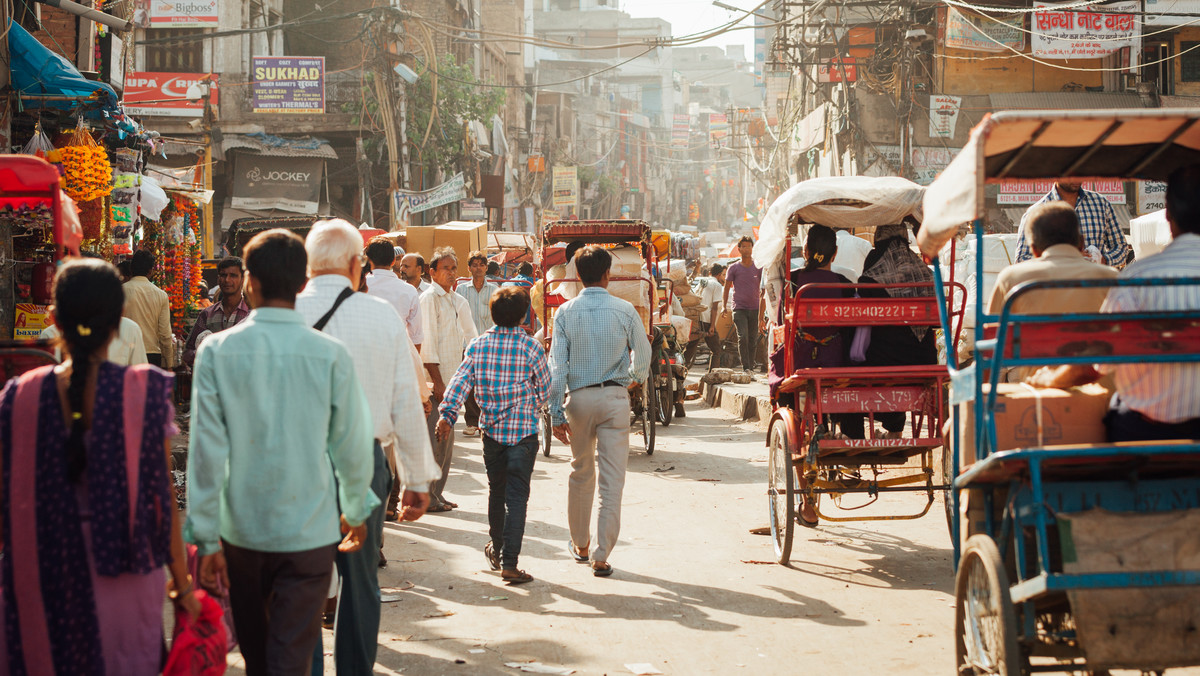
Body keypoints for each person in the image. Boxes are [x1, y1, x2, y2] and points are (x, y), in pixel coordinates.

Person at [185, 229, 377, 676]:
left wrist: (207, 536)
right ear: (303, 283)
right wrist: (355, 508)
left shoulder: (217, 350)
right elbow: (350, 442)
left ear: (249, 281)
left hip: (242, 533)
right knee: (290, 655)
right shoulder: (329, 354)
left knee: (259, 658)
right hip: (310, 532)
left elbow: (207, 450)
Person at [1, 258, 199, 675]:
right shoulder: (142, 392)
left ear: (54, 320)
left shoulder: (18, 396)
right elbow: (162, 498)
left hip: (40, 572)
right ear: (119, 321)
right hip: (124, 573)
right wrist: (182, 585)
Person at [296, 220, 440, 675]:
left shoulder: (284, 311)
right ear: (357, 265)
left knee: (303, 579)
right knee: (360, 581)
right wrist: (418, 480)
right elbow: (405, 400)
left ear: (308, 265)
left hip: (299, 464)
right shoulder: (380, 316)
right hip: (365, 459)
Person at [1030, 165, 1200, 441]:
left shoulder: (1138, 277)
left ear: (1168, 214)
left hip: (1147, 430)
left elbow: (1094, 363)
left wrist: (1050, 380)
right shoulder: (1126, 278)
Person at [435, 287, 551, 585]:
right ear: (525, 315)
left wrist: (447, 415)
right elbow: (546, 387)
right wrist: (531, 405)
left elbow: (460, 383)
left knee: (497, 493)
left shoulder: (478, 346)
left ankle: (498, 551)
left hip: (493, 435)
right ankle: (510, 563)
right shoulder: (531, 348)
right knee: (517, 498)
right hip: (524, 433)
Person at [548, 246, 651, 578]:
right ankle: (602, 554)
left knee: (580, 472)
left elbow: (557, 368)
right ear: (608, 275)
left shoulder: (564, 312)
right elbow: (644, 355)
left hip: (578, 399)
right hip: (615, 398)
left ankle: (579, 544)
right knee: (612, 480)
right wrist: (633, 381)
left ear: (577, 276)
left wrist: (555, 412)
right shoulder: (624, 310)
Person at [988, 202, 1118, 382]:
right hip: (1101, 391)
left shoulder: (1011, 278)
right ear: (1081, 242)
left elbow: (991, 343)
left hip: (1036, 395)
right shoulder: (1111, 278)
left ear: (1033, 249)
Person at [842, 221, 937, 440]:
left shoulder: (874, 271)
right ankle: (894, 426)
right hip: (923, 359)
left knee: (851, 363)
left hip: (882, 361)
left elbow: (862, 316)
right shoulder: (924, 272)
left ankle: (853, 433)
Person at [419, 247, 479, 512]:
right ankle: (428, 497)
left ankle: (437, 494)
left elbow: (473, 338)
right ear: (432, 272)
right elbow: (428, 346)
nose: (452, 273)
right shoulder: (429, 299)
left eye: (454, 268)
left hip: (454, 383)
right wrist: (439, 383)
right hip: (435, 383)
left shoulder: (458, 300)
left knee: (447, 443)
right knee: (435, 441)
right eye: (446, 268)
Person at [1015, 181, 1132, 267]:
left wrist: (1103, 260)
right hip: (1055, 290)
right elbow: (1021, 260)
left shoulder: (1101, 204)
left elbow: (1121, 247)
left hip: (1095, 287)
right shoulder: (1035, 212)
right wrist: (1063, 260)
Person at [456, 250, 500, 437]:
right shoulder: (461, 290)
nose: (478, 268)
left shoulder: (495, 290)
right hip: (468, 343)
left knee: (489, 382)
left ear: (486, 267)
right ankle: (472, 422)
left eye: (482, 265)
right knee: (470, 383)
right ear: (469, 268)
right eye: (475, 265)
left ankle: (488, 421)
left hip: (490, 343)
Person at [182, 256, 251, 368]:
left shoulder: (250, 314)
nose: (227, 280)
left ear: (243, 279)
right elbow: (187, 352)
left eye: (233, 275)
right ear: (218, 279)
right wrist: (206, 356)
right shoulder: (207, 314)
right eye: (223, 275)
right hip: (213, 381)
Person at [365, 237, 423, 348]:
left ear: (368, 260)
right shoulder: (409, 291)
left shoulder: (358, 287)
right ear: (392, 261)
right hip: (398, 355)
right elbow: (416, 337)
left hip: (364, 354)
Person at [123, 249, 174, 367]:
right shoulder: (161, 295)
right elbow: (165, 334)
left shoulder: (120, 291)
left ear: (131, 269)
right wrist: (169, 363)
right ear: (151, 271)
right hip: (151, 355)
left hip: (126, 353)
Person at [723, 236, 763, 374]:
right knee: (743, 337)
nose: (747, 249)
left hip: (755, 308)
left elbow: (763, 289)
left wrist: (762, 313)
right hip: (739, 308)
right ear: (739, 249)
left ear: (753, 248)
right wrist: (724, 306)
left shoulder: (758, 267)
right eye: (744, 246)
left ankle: (751, 367)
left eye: (749, 246)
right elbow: (727, 287)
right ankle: (745, 367)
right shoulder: (733, 268)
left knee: (753, 339)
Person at [694, 263, 727, 370]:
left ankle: (680, 371)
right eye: (723, 275)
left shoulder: (702, 282)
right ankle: (713, 373)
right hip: (707, 320)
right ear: (719, 275)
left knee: (691, 347)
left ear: (709, 273)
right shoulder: (717, 285)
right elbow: (714, 307)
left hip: (697, 318)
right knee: (716, 349)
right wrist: (712, 326)